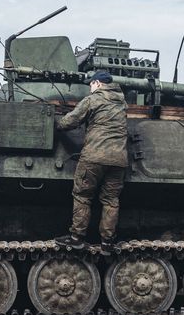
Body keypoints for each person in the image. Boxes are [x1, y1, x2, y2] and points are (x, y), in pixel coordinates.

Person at [53, 71, 128, 252]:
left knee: (83, 195)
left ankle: (77, 237)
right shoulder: (122, 103)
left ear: (98, 83)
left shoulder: (93, 99)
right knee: (111, 200)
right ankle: (107, 242)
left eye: (91, 84)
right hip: (119, 159)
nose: (90, 87)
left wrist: (57, 123)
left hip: (95, 156)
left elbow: (69, 122)